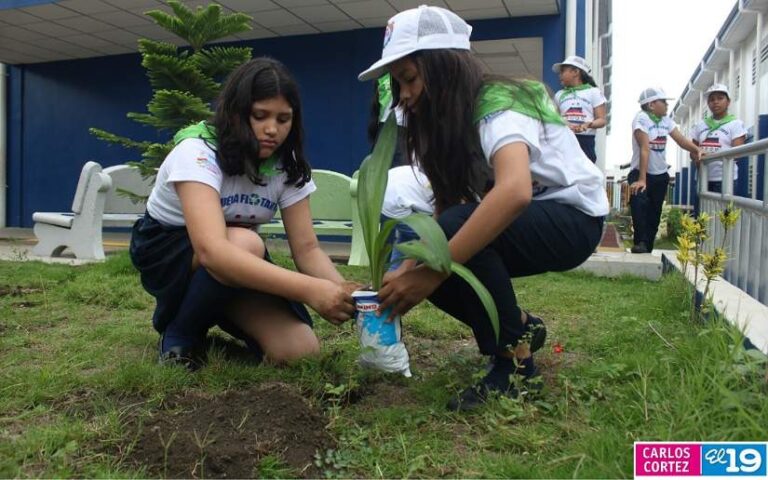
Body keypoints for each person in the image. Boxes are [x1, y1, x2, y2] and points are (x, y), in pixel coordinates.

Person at [357, 5, 609, 411]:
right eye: (397, 83)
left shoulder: (499, 100)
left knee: (444, 251)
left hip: (574, 218)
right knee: (434, 251)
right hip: (528, 221)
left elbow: (514, 192)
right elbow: (449, 205)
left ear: (444, 67)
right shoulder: (448, 124)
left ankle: (515, 370)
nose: (403, 94)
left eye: (409, 78)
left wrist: (432, 270)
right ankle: (520, 329)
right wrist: (413, 267)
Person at [130, 57, 357, 371]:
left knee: (300, 350)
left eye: (283, 119)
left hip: (232, 263)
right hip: (170, 253)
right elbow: (212, 251)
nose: (272, 129)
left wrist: (346, 293)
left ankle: (215, 306)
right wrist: (311, 290)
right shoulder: (198, 150)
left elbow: (307, 249)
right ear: (235, 112)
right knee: (245, 242)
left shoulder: (286, 164)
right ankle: (180, 333)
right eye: (260, 115)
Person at [629, 87, 701, 254]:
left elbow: (681, 140)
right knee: (639, 205)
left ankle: (647, 245)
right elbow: (645, 149)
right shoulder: (641, 119)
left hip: (660, 174)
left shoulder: (666, 121)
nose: (667, 105)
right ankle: (640, 242)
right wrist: (642, 179)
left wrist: (697, 150)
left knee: (655, 211)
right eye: (663, 102)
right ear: (651, 104)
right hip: (641, 172)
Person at [690, 83, 746, 194]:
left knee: (724, 206)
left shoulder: (736, 124)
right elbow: (692, 150)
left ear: (728, 102)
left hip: (725, 179)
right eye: (712, 99)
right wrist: (696, 158)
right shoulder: (700, 125)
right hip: (703, 178)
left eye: (720, 98)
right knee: (702, 206)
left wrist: (713, 156)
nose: (715, 102)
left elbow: (738, 153)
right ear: (708, 103)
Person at [552, 55, 607, 162]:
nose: (560, 75)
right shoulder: (559, 94)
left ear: (575, 72)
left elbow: (602, 120)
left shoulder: (594, 92)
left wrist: (588, 124)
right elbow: (554, 118)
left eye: (563, 71)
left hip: (585, 140)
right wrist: (563, 123)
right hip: (564, 138)